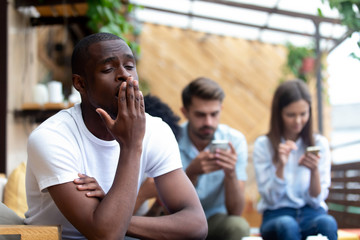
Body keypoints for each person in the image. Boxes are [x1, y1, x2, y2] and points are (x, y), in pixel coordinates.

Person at [24, 32, 207, 240]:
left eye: (129, 66)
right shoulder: (52, 137)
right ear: (80, 84)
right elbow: (105, 235)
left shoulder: (156, 130)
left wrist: (111, 214)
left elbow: (196, 225)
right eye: (108, 69)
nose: (124, 76)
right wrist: (131, 145)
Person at [253, 79, 338, 240]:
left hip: (311, 213)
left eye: (303, 114)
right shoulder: (263, 145)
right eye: (291, 115)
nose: (298, 121)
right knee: (287, 225)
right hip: (276, 215)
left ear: (310, 112)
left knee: (327, 223)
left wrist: (314, 172)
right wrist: (281, 166)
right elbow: (270, 199)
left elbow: (316, 200)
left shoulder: (319, 143)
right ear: (279, 113)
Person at [178, 77, 250, 240]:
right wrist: (191, 173)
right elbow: (170, 209)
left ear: (221, 109)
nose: (208, 122)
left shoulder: (235, 141)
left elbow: (236, 211)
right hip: (181, 222)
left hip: (216, 221)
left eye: (214, 114)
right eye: (200, 115)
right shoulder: (172, 140)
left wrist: (231, 174)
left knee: (238, 226)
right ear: (185, 112)